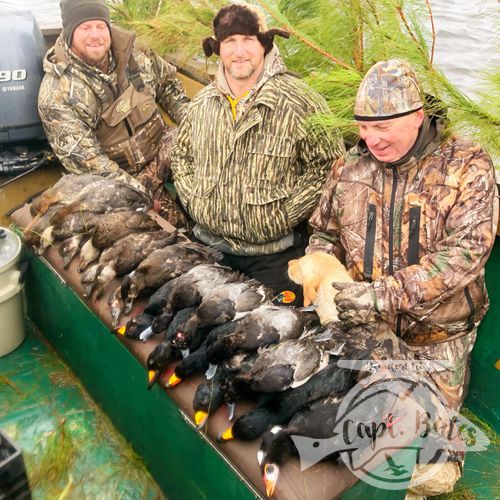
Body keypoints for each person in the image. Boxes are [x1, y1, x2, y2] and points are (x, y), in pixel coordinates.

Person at [301, 59, 498, 496]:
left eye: (383, 127)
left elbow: (466, 254)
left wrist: (380, 295)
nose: (371, 139)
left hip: (436, 337)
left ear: (417, 116)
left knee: (434, 470)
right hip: (366, 326)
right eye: (363, 127)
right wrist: (319, 264)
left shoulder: (467, 166)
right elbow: (324, 232)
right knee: (334, 422)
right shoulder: (350, 165)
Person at [171, 2, 344, 305]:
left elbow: (328, 165)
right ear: (217, 48)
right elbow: (182, 156)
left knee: (271, 339)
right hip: (207, 246)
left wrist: (282, 214)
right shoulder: (202, 104)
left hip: (274, 257)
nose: (239, 52)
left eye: (248, 40)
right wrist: (195, 198)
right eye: (230, 42)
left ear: (265, 44)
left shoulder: (300, 102)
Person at [38, 0, 190, 227]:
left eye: (100, 26)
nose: (95, 35)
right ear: (69, 33)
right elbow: (91, 165)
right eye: (85, 28)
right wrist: (142, 196)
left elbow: (169, 87)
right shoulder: (58, 94)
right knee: (177, 230)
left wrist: (194, 127)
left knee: (212, 187)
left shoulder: (136, 53)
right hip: (124, 178)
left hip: (163, 145)